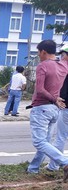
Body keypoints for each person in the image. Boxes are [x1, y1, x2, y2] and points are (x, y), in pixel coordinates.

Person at [26, 39, 68, 178]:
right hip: (54, 110)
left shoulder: (43, 66)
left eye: (38, 53)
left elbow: (40, 89)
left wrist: (53, 98)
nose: (38, 55)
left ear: (43, 52)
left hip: (42, 107)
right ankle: (33, 168)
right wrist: (55, 99)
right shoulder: (62, 66)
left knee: (39, 141)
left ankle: (64, 161)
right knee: (45, 141)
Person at [47, 45, 68, 171]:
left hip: (66, 108)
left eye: (63, 54)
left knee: (60, 137)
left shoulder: (64, 70)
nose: (61, 57)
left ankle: (54, 166)